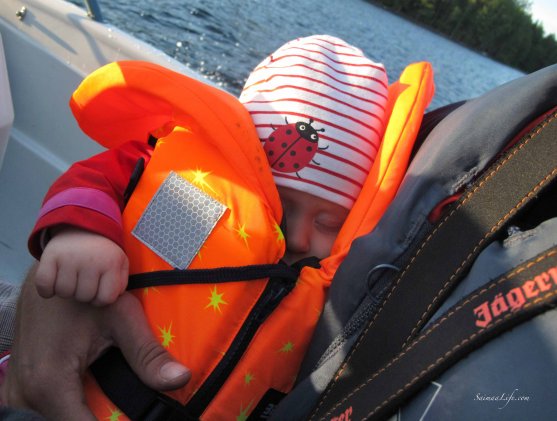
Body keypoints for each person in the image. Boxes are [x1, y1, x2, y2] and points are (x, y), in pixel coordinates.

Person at [4, 35, 394, 419]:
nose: (297, 236)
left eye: (328, 221)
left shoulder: (336, 289)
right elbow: (92, 181)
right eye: (279, 204)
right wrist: (82, 234)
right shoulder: (184, 176)